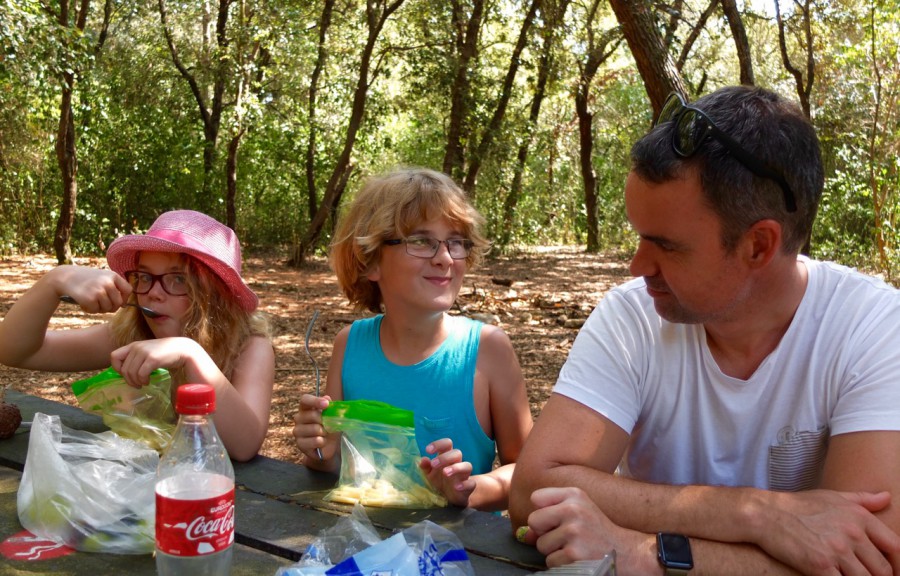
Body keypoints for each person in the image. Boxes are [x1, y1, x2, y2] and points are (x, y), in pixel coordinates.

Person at [509, 86, 900, 575]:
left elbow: (873, 559)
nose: (636, 267)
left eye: (667, 246)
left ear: (758, 245)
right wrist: (757, 515)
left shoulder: (872, 329)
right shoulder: (633, 318)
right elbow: (532, 489)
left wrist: (643, 554)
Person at [292, 167, 532, 512]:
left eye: (456, 242)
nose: (444, 257)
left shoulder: (488, 350)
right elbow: (333, 465)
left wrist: (469, 490)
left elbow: (526, 471)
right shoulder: (350, 345)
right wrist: (317, 449)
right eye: (421, 241)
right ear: (370, 261)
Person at [0, 210, 274, 462]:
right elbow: (15, 351)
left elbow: (245, 444)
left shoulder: (250, 345)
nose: (154, 292)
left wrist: (189, 354)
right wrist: (54, 281)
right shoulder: (133, 333)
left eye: (178, 279)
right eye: (144, 277)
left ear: (216, 294)